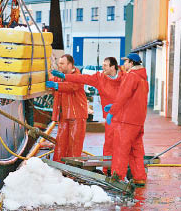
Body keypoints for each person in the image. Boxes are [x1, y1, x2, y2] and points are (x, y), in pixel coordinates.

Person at [50, 57, 126, 174]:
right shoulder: (100, 78)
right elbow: (82, 79)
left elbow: (130, 95)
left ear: (113, 67)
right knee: (109, 143)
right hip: (110, 117)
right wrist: (64, 77)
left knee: (124, 144)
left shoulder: (126, 79)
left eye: (105, 65)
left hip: (124, 117)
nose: (102, 67)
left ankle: (121, 172)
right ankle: (108, 171)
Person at [104, 53, 149, 186]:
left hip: (127, 121)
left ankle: (117, 178)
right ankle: (139, 177)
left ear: (132, 63)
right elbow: (134, 99)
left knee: (120, 150)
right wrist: (114, 105)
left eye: (126, 62)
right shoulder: (143, 79)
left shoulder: (132, 76)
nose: (123, 65)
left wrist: (112, 111)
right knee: (136, 151)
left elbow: (123, 95)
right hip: (138, 122)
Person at [45, 54, 88, 162]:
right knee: (61, 142)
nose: (59, 65)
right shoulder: (60, 76)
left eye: (62, 63)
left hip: (77, 114)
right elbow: (52, 79)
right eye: (59, 63)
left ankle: (71, 171)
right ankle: (58, 167)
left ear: (70, 65)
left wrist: (56, 86)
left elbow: (72, 86)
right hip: (64, 115)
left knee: (75, 144)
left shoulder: (77, 75)